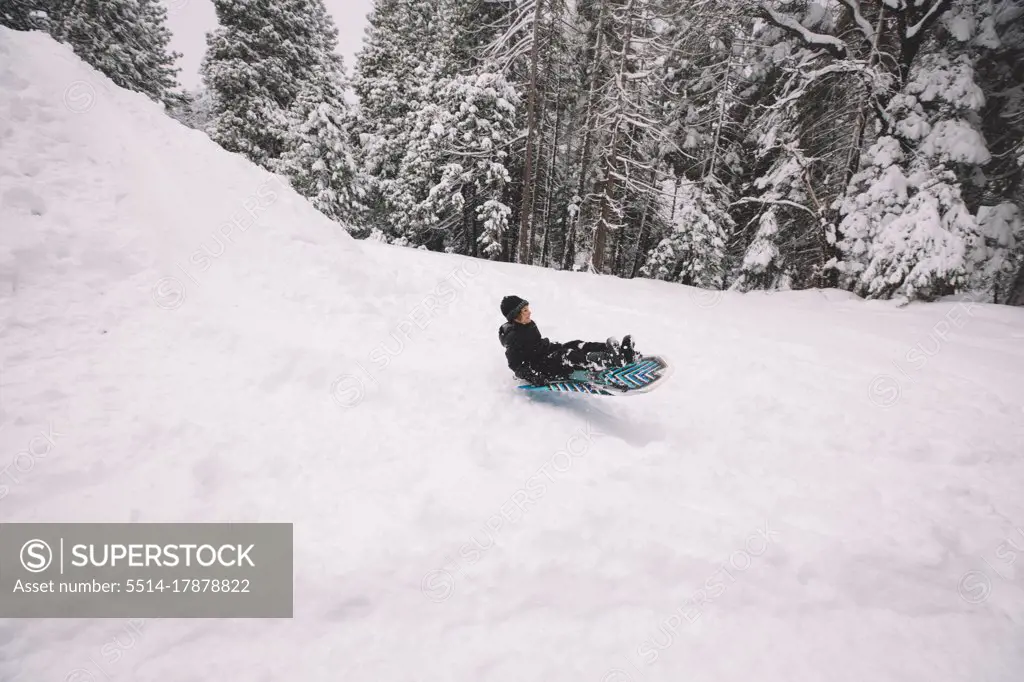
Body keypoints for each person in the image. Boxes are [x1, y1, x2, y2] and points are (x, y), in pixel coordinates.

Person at [497, 295, 637, 386]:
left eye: (528, 309)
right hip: (541, 368)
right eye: (525, 311)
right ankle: (607, 360)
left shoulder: (529, 324)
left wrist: (552, 346)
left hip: (546, 354)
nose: (529, 312)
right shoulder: (513, 338)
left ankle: (616, 352)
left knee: (576, 344)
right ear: (515, 315)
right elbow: (516, 366)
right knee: (567, 355)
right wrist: (534, 377)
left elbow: (537, 345)